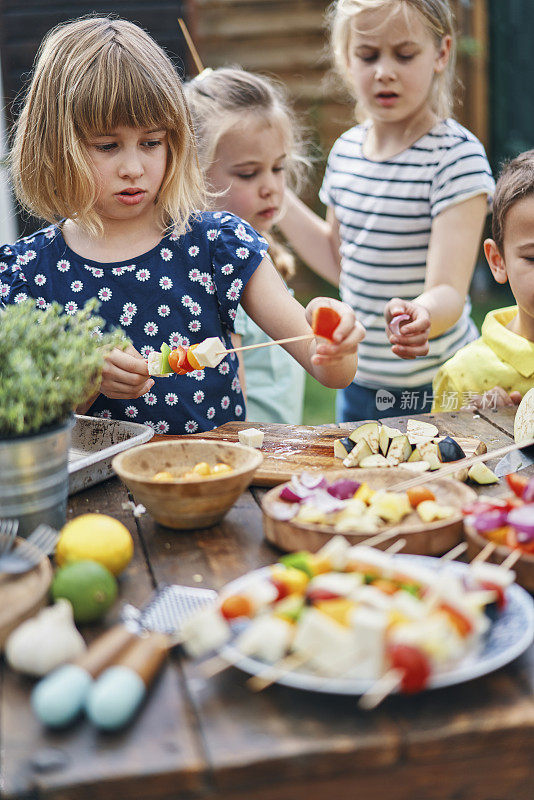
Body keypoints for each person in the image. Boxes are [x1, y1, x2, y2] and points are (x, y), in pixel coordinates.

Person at [2, 17, 364, 435]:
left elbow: (330, 372)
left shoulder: (218, 244)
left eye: (151, 142)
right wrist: (84, 383)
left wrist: (337, 343)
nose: (134, 168)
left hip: (217, 483)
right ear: (54, 144)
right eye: (107, 146)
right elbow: (20, 425)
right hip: (96, 497)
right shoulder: (24, 275)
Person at [277, 0, 494, 422]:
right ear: (345, 59)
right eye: (368, 55)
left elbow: (449, 287)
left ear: (442, 53)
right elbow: (341, 262)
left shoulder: (455, 157)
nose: (384, 71)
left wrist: (423, 315)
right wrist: (277, 196)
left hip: (442, 382)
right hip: (358, 381)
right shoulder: (345, 154)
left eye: (404, 54)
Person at [184, 66, 307, 424]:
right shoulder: (220, 271)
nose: (270, 187)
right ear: (194, 174)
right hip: (254, 456)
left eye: (278, 167)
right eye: (248, 173)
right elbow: (232, 399)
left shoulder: (258, 251)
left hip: (282, 448)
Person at [432, 150, 534, 412]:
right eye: (533, 258)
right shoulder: (463, 379)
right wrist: (481, 429)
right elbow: (439, 451)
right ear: (498, 261)